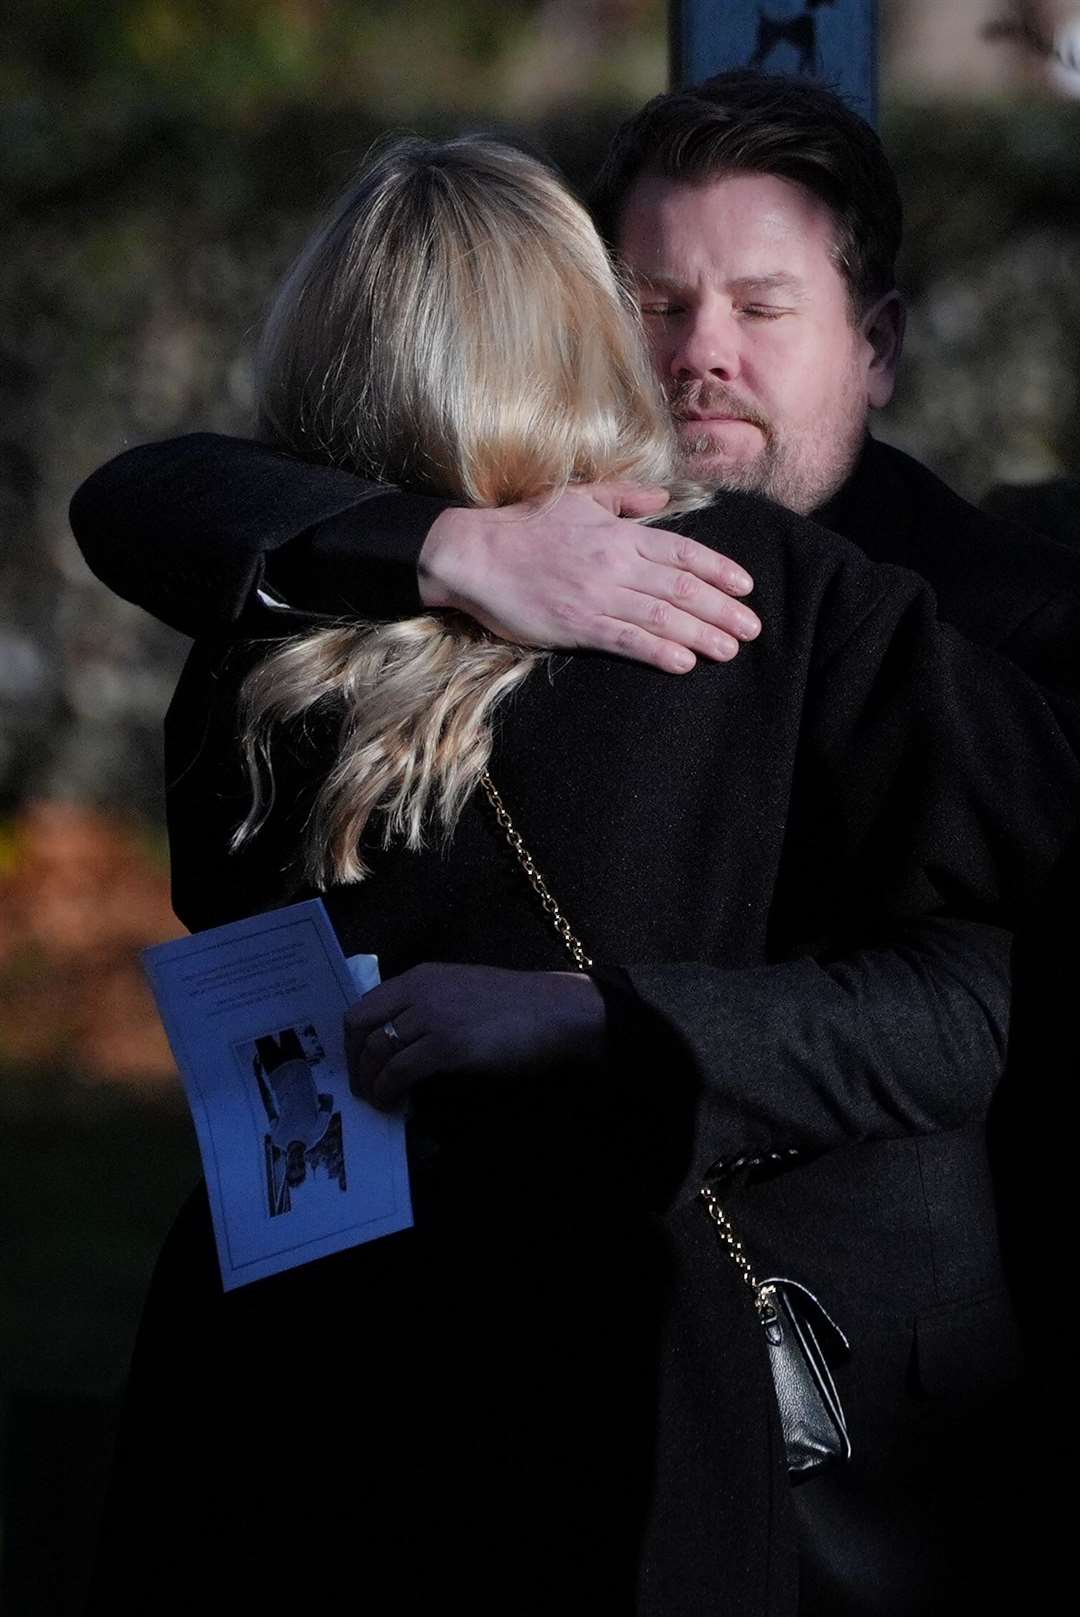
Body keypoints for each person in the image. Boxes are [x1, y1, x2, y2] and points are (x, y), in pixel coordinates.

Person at [70, 85, 1080, 1615]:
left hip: (364, 1380)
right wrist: (453, 546)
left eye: (758, 303)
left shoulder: (261, 656)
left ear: (875, 339)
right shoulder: (328, 617)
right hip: (595, 1406)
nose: (698, 351)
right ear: (586, 322)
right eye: (655, 302)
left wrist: (607, 1014)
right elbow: (140, 497)